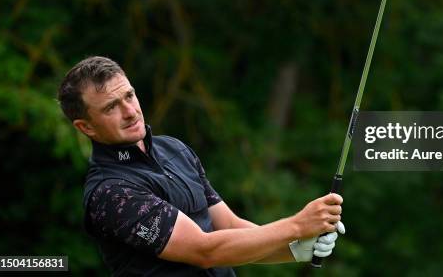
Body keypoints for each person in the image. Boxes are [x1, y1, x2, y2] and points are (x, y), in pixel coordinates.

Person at [57, 56, 344, 276]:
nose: (130, 112)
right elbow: (205, 250)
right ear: (86, 127)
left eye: (129, 96)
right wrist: (296, 226)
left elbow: (230, 227)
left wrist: (295, 249)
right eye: (111, 107)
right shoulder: (111, 193)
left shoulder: (174, 149)